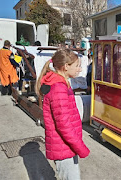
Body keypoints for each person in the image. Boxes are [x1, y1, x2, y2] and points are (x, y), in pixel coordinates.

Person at [35, 49, 90, 179]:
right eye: (77, 66)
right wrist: (80, 147)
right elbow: (64, 125)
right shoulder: (58, 88)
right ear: (66, 67)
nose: (80, 69)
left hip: (66, 146)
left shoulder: (61, 84)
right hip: (64, 147)